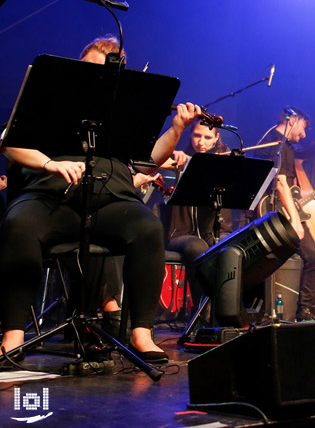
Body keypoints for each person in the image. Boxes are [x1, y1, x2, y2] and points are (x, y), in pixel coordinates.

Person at [0, 36, 201, 364]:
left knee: (147, 227)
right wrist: (50, 163)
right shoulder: (51, 97)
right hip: (52, 199)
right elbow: (9, 143)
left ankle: (141, 334)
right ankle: (13, 336)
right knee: (19, 223)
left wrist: (177, 128)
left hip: (109, 201)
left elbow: (148, 160)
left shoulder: (122, 111)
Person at [256, 108, 315, 321]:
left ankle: (304, 310)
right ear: (293, 121)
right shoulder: (275, 144)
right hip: (275, 212)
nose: (304, 135)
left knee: (312, 255)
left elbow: (290, 190)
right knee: (302, 255)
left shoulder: (286, 147)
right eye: (303, 128)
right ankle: (278, 310)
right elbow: (280, 184)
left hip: (285, 208)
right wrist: (295, 222)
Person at [162, 122, 231, 312]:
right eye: (197, 136)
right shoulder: (183, 159)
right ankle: (201, 313)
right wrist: (175, 156)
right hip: (182, 234)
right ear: (190, 135)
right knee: (198, 247)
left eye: (208, 137)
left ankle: (227, 311)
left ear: (217, 139)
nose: (201, 142)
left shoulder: (222, 161)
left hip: (215, 230)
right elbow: (155, 162)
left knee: (231, 248)